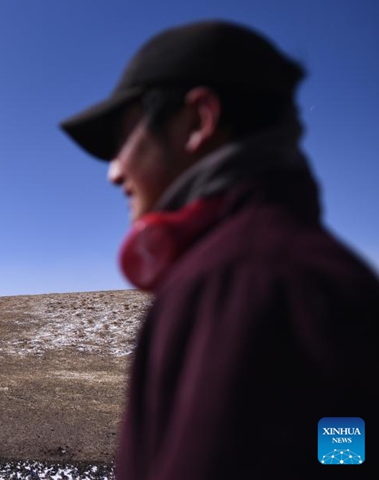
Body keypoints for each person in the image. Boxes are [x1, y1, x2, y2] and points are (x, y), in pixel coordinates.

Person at [60, 20, 378, 480]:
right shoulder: (307, 266)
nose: (113, 172)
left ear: (198, 121)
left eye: (122, 139)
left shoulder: (238, 281)